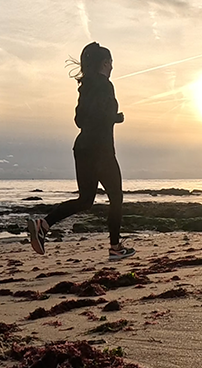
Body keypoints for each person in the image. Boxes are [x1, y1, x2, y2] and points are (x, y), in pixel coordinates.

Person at [27, 42, 136, 261]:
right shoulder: (106, 85)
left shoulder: (84, 87)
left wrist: (109, 118)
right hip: (101, 149)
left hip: (82, 147)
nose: (112, 67)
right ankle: (115, 248)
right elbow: (101, 116)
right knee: (116, 197)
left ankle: (44, 224)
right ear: (105, 63)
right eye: (111, 63)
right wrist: (115, 117)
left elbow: (79, 120)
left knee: (86, 200)